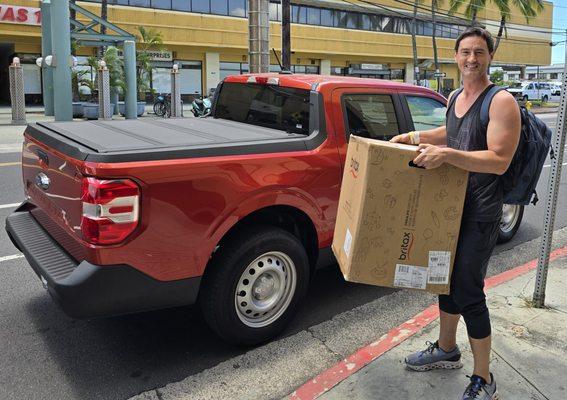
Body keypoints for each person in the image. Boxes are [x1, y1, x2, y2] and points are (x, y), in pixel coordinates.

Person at [390, 27, 521, 400]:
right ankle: (447, 349)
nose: (471, 59)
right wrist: (415, 137)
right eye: (465, 52)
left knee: (468, 289)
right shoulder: (455, 96)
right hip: (449, 207)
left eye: (479, 52)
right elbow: (451, 132)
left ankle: (484, 378)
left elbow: (498, 160)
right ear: (456, 55)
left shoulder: (500, 102)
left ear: (490, 57)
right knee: (443, 279)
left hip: (481, 211)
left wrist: (446, 156)